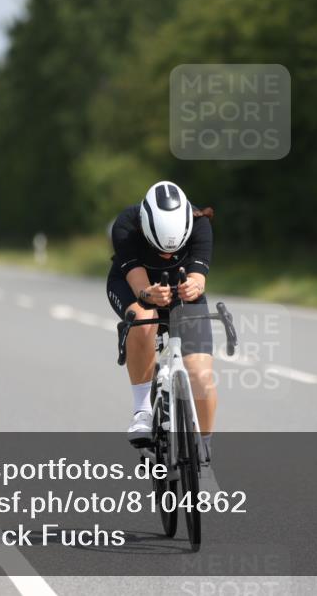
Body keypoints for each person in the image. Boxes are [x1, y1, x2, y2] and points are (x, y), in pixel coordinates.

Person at [106, 181, 217, 471]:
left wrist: (193, 286)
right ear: (144, 228)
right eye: (160, 249)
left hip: (180, 287)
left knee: (201, 376)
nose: (167, 256)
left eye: (174, 249)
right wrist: (148, 294)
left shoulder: (200, 223)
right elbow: (139, 284)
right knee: (143, 321)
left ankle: (204, 454)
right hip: (134, 285)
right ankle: (142, 410)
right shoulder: (126, 226)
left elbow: (199, 278)